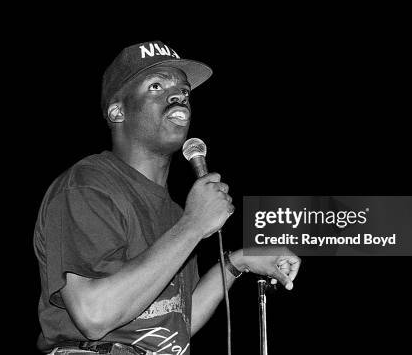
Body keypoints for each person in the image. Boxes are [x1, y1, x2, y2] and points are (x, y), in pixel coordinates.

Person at [33, 40, 301, 355]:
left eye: (184, 91)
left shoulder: (175, 214)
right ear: (118, 111)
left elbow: (176, 322)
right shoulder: (88, 187)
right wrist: (194, 225)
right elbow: (95, 315)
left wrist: (237, 262)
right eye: (156, 86)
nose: (178, 96)